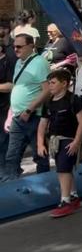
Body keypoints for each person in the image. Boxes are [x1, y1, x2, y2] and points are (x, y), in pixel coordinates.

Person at [38, 69, 82, 218]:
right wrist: (40, 143)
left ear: (64, 84)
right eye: (49, 83)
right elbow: (42, 124)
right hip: (54, 141)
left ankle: (65, 201)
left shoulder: (73, 100)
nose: (50, 86)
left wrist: (77, 141)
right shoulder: (48, 103)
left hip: (69, 139)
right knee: (64, 168)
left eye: (53, 83)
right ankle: (73, 196)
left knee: (63, 170)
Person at [1, 33, 51, 180]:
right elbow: (17, 88)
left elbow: (47, 90)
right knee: (12, 155)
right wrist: (10, 114)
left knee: (39, 153)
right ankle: (11, 186)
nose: (15, 49)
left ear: (31, 46)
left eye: (19, 46)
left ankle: (46, 183)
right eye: (14, 46)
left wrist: (30, 109)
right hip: (17, 116)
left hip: (33, 116)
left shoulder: (40, 63)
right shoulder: (18, 62)